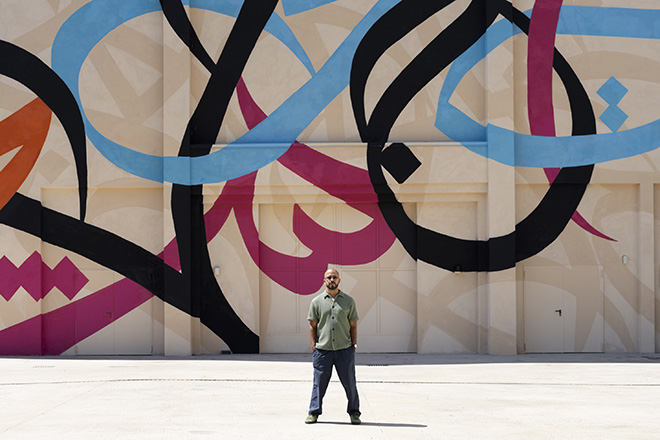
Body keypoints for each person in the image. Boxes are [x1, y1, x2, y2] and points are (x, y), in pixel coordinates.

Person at [305, 268, 361, 425]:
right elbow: (312, 325)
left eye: (334, 277)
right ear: (324, 281)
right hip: (323, 351)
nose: (331, 280)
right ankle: (314, 412)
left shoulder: (349, 301)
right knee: (318, 383)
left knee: (350, 383)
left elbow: (353, 324)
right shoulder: (317, 302)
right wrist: (313, 346)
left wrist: (353, 344)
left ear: (339, 280)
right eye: (328, 277)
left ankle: (354, 413)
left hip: (344, 349)